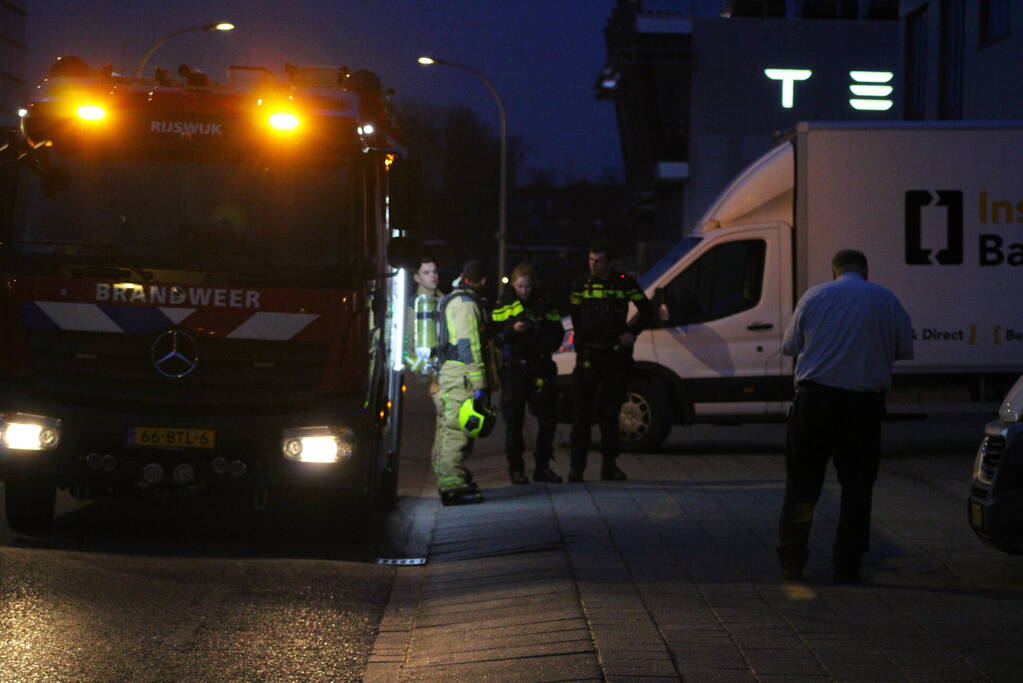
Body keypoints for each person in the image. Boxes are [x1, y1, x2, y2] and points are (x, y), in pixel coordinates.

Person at [777, 249, 913, 583]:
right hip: (862, 408)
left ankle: (793, 559)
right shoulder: (885, 299)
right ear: (866, 271)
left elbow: (790, 345)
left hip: (814, 402)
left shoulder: (814, 296)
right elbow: (903, 349)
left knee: (803, 486)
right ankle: (847, 564)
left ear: (834, 270)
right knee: (857, 488)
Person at [568, 240, 654, 482]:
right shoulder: (580, 284)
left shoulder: (624, 283)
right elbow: (574, 315)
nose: (593, 265)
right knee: (582, 415)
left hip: (614, 356)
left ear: (609, 262)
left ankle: (609, 466)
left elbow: (647, 310)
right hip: (588, 356)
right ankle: (576, 468)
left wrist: (631, 333)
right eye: (591, 260)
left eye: (599, 261)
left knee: (609, 413)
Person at [491, 263, 565, 485]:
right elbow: (495, 336)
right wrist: (512, 331)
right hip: (514, 368)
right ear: (513, 284)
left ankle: (543, 467)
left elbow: (557, 333)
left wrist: (541, 342)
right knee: (515, 422)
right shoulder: (504, 304)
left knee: (548, 419)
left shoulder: (544, 303)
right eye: (520, 286)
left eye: (527, 286)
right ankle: (516, 469)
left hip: (539, 366)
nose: (524, 290)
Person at [433, 259, 490, 506]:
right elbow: (469, 345)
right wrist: (480, 382)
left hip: (452, 371)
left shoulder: (455, 298)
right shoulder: (466, 304)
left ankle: (449, 478)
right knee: (456, 431)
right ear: (482, 281)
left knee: (448, 428)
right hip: (461, 373)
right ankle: (453, 486)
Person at [403, 256, 444, 469]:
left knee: (445, 428)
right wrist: (422, 369)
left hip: (443, 375)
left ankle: (441, 468)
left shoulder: (445, 300)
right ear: (417, 278)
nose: (433, 276)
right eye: (427, 272)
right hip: (422, 382)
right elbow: (405, 346)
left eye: (434, 271)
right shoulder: (412, 305)